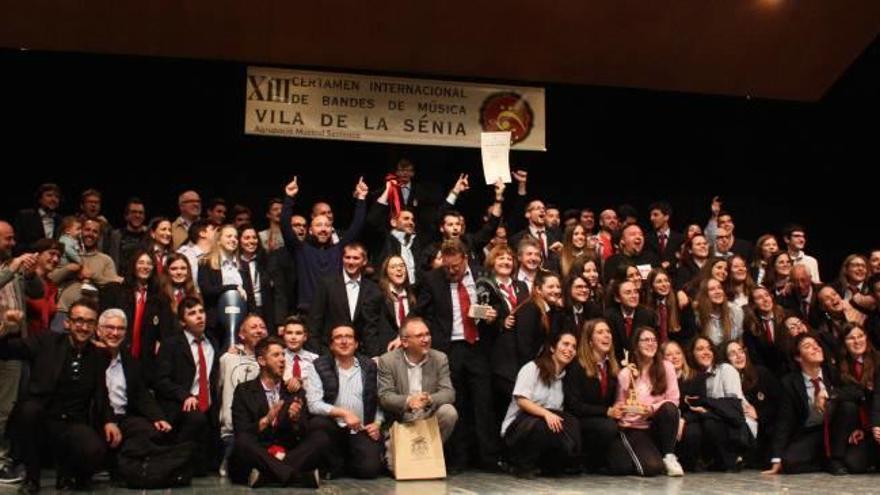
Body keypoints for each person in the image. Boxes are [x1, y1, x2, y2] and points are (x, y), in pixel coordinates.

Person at [1, 300, 113, 493]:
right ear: (67, 323)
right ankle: (32, 478)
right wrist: (5, 328)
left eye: (89, 322)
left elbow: (101, 393)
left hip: (73, 423)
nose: (84, 327)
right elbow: (6, 350)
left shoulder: (99, 355)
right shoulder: (46, 341)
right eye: (78, 320)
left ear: (95, 327)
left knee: (94, 450)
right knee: (29, 411)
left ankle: (69, 475)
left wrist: (110, 421)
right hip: (41, 419)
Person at [228, 335, 326, 488]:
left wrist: (295, 420)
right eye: (276, 355)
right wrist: (266, 420)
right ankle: (298, 477)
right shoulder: (244, 391)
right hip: (259, 452)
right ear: (261, 361)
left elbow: (303, 432)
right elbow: (242, 431)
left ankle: (266, 477)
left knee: (320, 438)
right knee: (243, 442)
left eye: (283, 355)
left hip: (286, 452)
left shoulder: (293, 392)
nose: (282, 359)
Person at [377, 317, 458, 472]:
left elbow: (449, 393)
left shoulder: (439, 358)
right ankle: (407, 454)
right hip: (401, 419)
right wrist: (408, 401)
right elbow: (385, 396)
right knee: (395, 468)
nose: (426, 339)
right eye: (420, 336)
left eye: (427, 334)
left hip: (427, 415)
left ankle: (428, 454)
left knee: (449, 411)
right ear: (405, 342)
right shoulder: (388, 361)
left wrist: (429, 399)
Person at [304, 325, 384, 479]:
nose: (344, 341)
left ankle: (344, 463)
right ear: (331, 345)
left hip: (361, 428)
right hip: (333, 428)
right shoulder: (319, 365)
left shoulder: (369, 366)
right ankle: (337, 461)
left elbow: (378, 400)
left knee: (369, 470)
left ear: (356, 343)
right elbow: (314, 404)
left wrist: (377, 423)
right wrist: (344, 413)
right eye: (338, 337)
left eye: (349, 337)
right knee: (317, 424)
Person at [153, 297, 220, 476]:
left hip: (208, 405)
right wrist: (185, 395)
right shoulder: (171, 344)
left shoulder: (213, 343)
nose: (199, 317)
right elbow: (161, 380)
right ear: (182, 322)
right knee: (196, 419)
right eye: (192, 313)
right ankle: (172, 466)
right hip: (180, 403)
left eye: (201, 312)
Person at [501, 331, 581, 478]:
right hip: (519, 428)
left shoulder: (565, 378)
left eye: (573, 347)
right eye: (565, 344)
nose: (569, 350)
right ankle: (520, 464)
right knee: (542, 424)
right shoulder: (532, 368)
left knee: (571, 422)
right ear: (552, 348)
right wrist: (546, 414)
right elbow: (522, 400)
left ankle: (553, 465)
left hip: (545, 429)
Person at [607, 326, 684, 477]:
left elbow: (673, 400)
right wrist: (621, 409)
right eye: (646, 340)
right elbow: (621, 405)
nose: (651, 343)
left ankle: (668, 456)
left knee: (669, 408)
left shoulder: (666, 367)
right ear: (636, 345)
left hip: (656, 426)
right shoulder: (626, 372)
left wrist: (651, 408)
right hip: (634, 427)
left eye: (654, 340)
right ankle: (629, 456)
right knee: (651, 469)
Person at [563, 319, 621, 472]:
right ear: (589, 340)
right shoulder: (577, 366)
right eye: (600, 332)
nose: (606, 336)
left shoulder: (612, 367)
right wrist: (606, 411)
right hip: (579, 421)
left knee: (622, 467)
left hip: (604, 422)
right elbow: (574, 405)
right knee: (608, 427)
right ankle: (586, 460)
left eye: (608, 332)